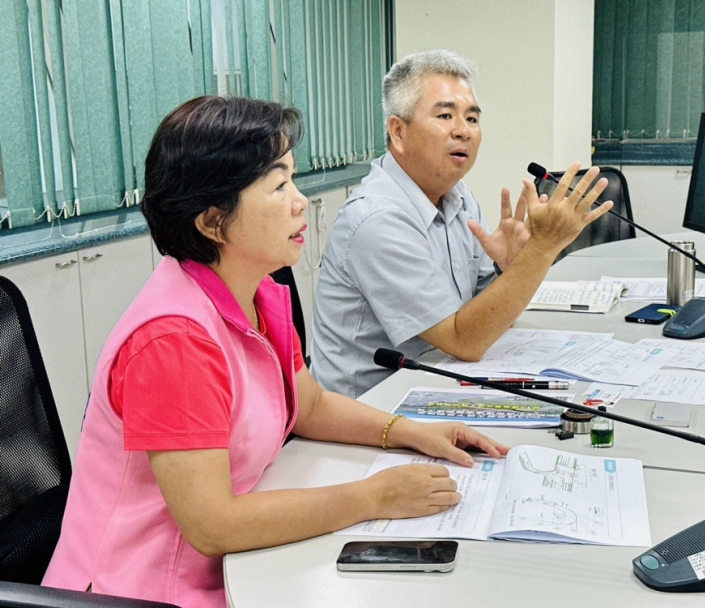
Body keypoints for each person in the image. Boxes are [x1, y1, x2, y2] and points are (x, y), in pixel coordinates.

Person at [42, 96, 508, 607]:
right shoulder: (174, 341)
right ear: (213, 221)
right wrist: (374, 497)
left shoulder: (259, 294)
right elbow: (213, 526)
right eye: (279, 184)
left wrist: (411, 433)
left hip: (237, 568)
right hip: (146, 591)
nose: (300, 201)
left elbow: (307, 405)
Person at [311, 50, 612, 398]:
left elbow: (488, 321)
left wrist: (508, 269)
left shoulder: (459, 196)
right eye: (445, 115)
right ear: (398, 131)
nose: (463, 131)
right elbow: (464, 341)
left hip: (437, 382)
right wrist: (542, 249)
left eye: (472, 119)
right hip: (369, 413)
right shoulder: (377, 220)